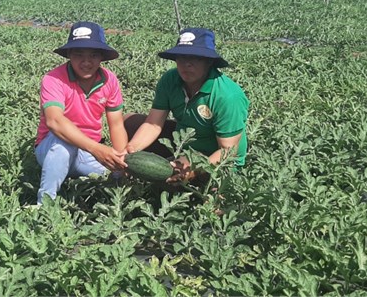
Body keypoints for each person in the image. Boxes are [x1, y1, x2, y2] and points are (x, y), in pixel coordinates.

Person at [124, 28, 249, 183]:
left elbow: (228, 151)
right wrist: (130, 150)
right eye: (181, 58)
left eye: (194, 58)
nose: (186, 64)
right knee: (129, 122)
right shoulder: (170, 80)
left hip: (217, 155)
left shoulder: (227, 96)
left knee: (170, 184)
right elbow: (152, 124)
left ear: (209, 61)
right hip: (186, 143)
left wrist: (193, 170)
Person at [35, 21, 127, 204]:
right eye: (79, 55)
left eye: (93, 55)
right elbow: (55, 121)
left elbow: (116, 124)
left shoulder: (110, 80)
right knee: (63, 145)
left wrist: (121, 161)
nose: (86, 62)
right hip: (51, 148)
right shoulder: (53, 79)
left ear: (102, 57)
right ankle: (44, 206)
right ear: (69, 55)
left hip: (88, 152)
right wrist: (97, 149)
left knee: (115, 178)